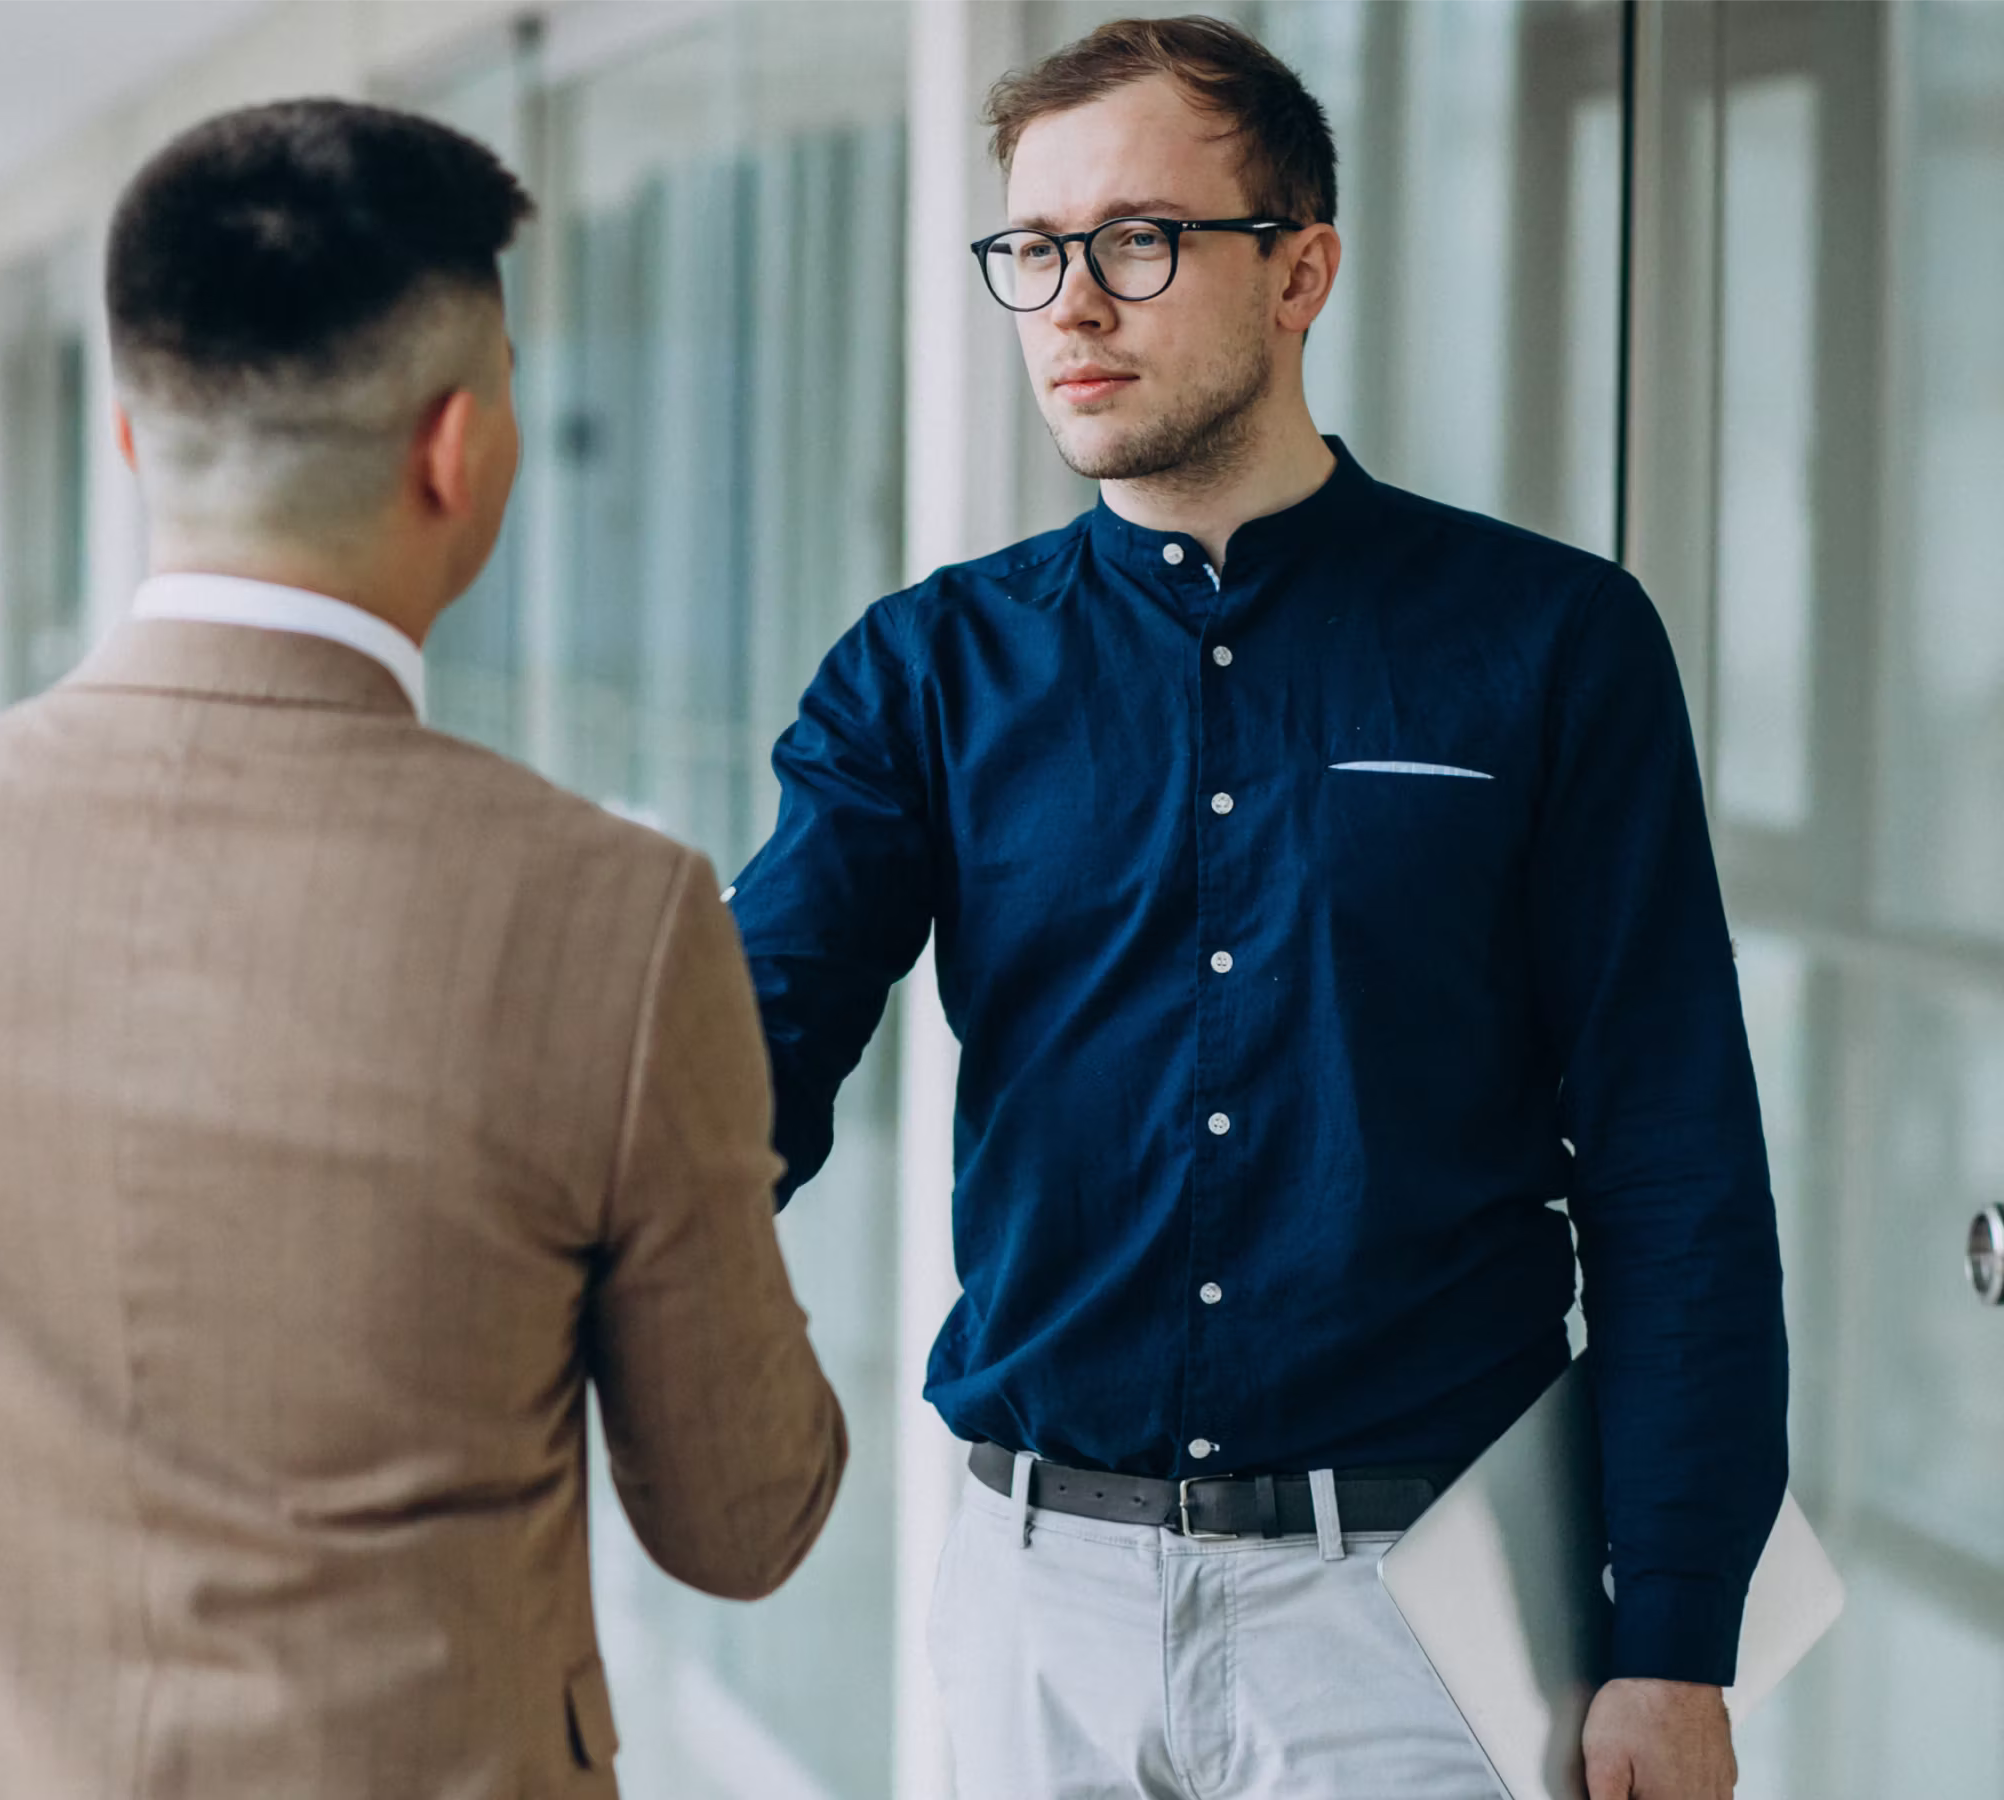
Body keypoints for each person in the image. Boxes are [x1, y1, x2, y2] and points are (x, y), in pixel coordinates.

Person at [0, 98, 845, 1798]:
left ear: (125, 440)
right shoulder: (611, 918)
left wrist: (12, 1541)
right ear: (459, 449)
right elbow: (745, 1517)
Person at [729, 19, 1784, 1800]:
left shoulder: (1549, 646)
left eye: (1138, 240)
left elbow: (1675, 1159)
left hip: (1421, 1611)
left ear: (1302, 270)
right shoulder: (923, 672)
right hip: (1034, 1599)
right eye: (1034, 250)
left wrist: (1674, 1636)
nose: (1071, 303)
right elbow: (752, 1047)